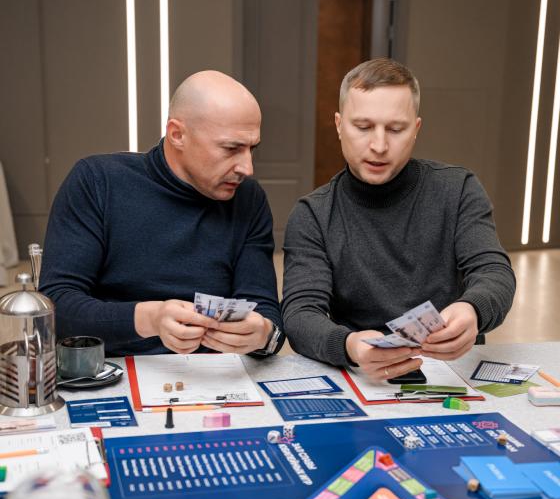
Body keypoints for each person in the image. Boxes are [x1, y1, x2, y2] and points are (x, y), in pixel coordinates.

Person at [282, 58, 515, 380]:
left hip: (450, 371)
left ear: (416, 129)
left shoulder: (458, 189)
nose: (379, 146)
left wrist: (473, 309)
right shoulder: (313, 214)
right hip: (362, 373)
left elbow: (494, 272)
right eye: (363, 127)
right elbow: (300, 314)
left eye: (395, 129)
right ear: (338, 125)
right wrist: (348, 345)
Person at [40, 71, 283, 356]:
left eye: (252, 149)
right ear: (177, 134)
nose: (247, 168)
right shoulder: (97, 182)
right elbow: (56, 308)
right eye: (231, 148)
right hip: (112, 365)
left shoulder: (248, 199)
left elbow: (263, 309)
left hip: (212, 373)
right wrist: (150, 319)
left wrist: (264, 335)